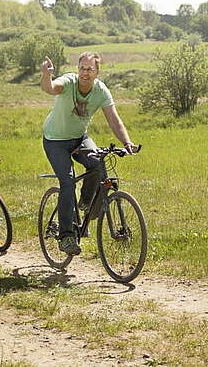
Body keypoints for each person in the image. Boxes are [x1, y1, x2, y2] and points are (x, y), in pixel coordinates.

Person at [38, 52, 138, 256]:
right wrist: (47, 74)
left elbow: (114, 119)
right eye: (82, 68)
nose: (85, 72)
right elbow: (50, 88)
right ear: (78, 69)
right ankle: (66, 236)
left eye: (90, 69)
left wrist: (127, 142)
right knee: (67, 181)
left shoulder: (101, 90)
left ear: (97, 72)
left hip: (79, 138)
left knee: (98, 164)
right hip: (55, 140)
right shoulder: (68, 81)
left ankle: (85, 202)